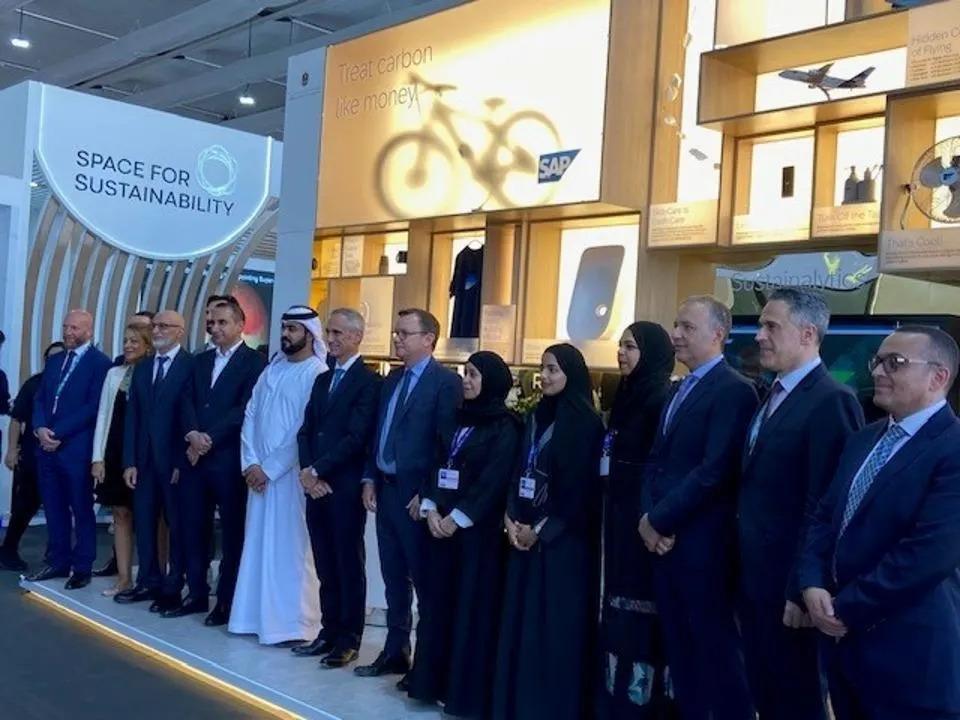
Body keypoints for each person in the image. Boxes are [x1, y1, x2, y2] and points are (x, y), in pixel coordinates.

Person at [799, 326, 960, 720]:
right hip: (844, 649)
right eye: (878, 361)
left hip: (909, 653)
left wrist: (844, 608)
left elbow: (928, 554)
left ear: (938, 377)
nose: (878, 372)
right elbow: (824, 516)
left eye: (896, 363)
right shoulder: (863, 439)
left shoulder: (953, 448)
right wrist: (811, 581)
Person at [738, 288, 864, 720]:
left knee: (797, 699)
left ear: (808, 333)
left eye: (771, 326)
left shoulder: (832, 400)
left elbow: (826, 505)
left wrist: (801, 587)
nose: (758, 336)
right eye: (760, 325)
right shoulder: (772, 395)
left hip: (789, 589)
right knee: (764, 693)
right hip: (753, 580)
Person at [639, 296, 756, 720]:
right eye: (675, 324)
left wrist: (659, 518)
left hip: (702, 546)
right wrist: (645, 519)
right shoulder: (677, 389)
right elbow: (655, 460)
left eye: (687, 327)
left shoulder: (734, 390)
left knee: (718, 658)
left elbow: (714, 471)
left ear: (718, 335)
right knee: (682, 655)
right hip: (663, 544)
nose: (676, 335)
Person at [493, 343, 605, 720]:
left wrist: (540, 530)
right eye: (543, 368)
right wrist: (510, 518)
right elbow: (517, 471)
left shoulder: (586, 423)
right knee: (521, 624)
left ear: (571, 374)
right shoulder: (536, 416)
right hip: (522, 535)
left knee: (553, 629)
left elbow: (581, 491)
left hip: (561, 546)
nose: (546, 376)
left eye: (554, 369)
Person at [407, 351, 521, 716]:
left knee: (470, 611)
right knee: (437, 606)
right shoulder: (456, 419)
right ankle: (430, 681)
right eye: (464, 373)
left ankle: (462, 691)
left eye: (473, 374)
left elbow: (494, 480)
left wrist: (457, 517)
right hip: (440, 531)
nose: (466, 380)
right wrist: (430, 507)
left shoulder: (506, 426)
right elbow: (437, 463)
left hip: (476, 538)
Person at [355, 308, 462, 681]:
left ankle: (428, 662)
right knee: (392, 576)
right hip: (385, 491)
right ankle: (395, 651)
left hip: (416, 497)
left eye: (405, 333)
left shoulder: (445, 383)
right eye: (396, 332)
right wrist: (368, 477)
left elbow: (446, 445)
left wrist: (428, 493)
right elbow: (377, 435)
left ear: (429, 338)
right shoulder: (392, 380)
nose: (397, 339)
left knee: (423, 579)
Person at [229, 306, 328, 644]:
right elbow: (251, 415)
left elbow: (304, 430)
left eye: (293, 329)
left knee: (290, 550)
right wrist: (251, 463)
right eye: (284, 328)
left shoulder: (317, 372)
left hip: (288, 479)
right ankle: (253, 618)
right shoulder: (271, 369)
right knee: (257, 545)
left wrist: (269, 469)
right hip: (258, 477)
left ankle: (293, 625)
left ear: (309, 334)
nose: (286, 334)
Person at [166, 301, 266, 624]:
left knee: (233, 533)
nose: (216, 328)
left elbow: (245, 408)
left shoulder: (254, 363)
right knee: (193, 528)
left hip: (228, 459)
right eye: (212, 322)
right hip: (195, 458)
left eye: (223, 322)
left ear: (240, 325)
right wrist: (193, 434)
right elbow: (186, 400)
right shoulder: (200, 360)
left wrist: (208, 438)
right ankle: (196, 594)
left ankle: (225, 601)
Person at [597, 322, 677, 720]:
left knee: (642, 613)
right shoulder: (626, 394)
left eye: (630, 346)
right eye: (620, 346)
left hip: (643, 521)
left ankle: (642, 704)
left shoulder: (660, 396)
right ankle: (615, 699)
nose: (622, 353)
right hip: (618, 516)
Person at [294, 308, 381, 668]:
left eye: (339, 333)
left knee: (347, 563)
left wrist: (318, 468)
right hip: (316, 485)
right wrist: (307, 471)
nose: (331, 339)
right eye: (329, 332)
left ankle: (349, 638)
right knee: (325, 563)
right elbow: (306, 430)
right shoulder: (322, 379)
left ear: (357, 337)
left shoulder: (369, 381)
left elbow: (356, 436)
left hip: (343, 486)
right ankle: (328, 631)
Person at [27, 310, 112, 589]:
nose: (68, 332)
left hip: (75, 449)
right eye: (65, 327)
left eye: (74, 328)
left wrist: (58, 433)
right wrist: (40, 428)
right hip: (46, 448)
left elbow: (93, 406)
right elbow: (39, 398)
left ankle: (82, 566)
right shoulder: (55, 361)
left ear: (89, 331)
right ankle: (57, 560)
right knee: (53, 507)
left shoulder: (100, 364)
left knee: (81, 508)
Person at [116, 311, 193, 612]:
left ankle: (173, 586)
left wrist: (180, 462)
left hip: (175, 464)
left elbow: (188, 416)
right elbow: (133, 416)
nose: (157, 330)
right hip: (144, 463)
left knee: (177, 527)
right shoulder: (144, 367)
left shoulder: (191, 366)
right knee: (145, 524)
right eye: (155, 326)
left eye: (164, 326)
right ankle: (148, 580)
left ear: (180, 332)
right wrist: (129, 461)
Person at [91, 324, 153, 597]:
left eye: (134, 341)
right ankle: (124, 578)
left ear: (148, 344)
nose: (127, 345)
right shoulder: (113, 373)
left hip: (146, 455)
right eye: (125, 340)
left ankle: (155, 578)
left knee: (154, 519)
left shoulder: (153, 373)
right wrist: (98, 457)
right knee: (120, 514)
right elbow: (103, 416)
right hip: (115, 453)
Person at [0, 342, 64, 571]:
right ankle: (8, 549)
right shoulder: (34, 384)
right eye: (52, 359)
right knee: (25, 505)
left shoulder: (74, 387)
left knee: (60, 508)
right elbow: (17, 419)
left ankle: (55, 556)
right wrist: (11, 450)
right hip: (32, 458)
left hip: (64, 458)